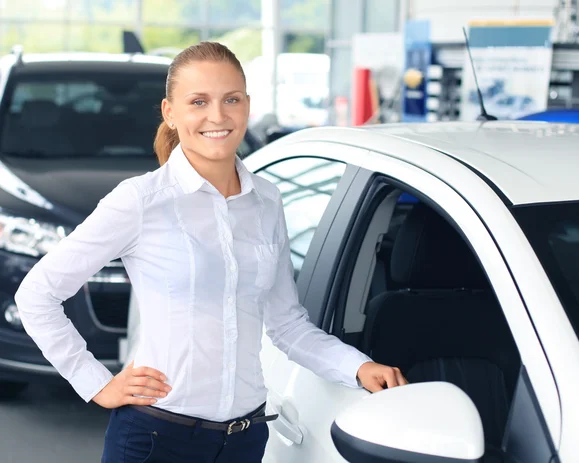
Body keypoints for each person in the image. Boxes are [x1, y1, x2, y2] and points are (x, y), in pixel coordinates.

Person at [14, 42, 408, 463]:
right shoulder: (141, 201)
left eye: (231, 100)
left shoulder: (266, 200)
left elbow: (287, 325)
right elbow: (37, 295)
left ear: (247, 106)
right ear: (170, 112)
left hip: (245, 440)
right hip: (154, 439)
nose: (217, 116)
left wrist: (357, 367)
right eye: (198, 101)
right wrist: (95, 383)